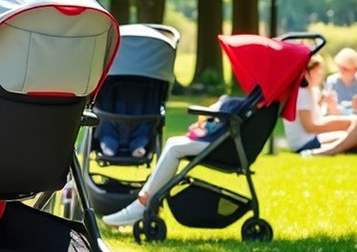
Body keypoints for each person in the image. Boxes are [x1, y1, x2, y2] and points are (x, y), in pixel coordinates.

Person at [103, 95, 249, 227]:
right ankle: (144, 199)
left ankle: (143, 203)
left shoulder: (261, 99)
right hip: (224, 141)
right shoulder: (260, 98)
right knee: (173, 143)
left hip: (224, 145)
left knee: (174, 149)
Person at [282, 54, 355, 153]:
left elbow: (315, 118)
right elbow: (310, 127)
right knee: (350, 137)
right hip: (304, 143)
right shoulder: (302, 94)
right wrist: (345, 123)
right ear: (307, 73)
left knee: (351, 134)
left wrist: (322, 103)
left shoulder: (312, 91)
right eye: (318, 70)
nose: (321, 74)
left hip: (312, 138)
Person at [324, 48, 357, 115]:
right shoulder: (331, 81)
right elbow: (328, 109)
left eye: (345, 69)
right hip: (337, 117)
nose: (341, 71)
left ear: (355, 69)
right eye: (340, 67)